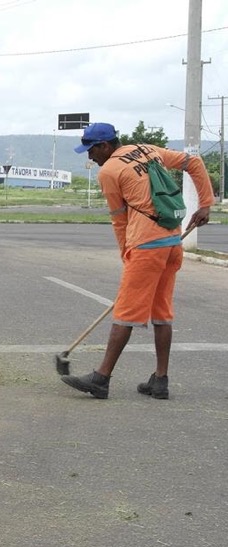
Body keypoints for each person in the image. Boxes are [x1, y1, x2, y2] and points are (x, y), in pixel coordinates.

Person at [61, 123, 214, 400]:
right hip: (171, 243)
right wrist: (205, 204)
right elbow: (195, 162)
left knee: (126, 314)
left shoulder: (109, 171)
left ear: (106, 146)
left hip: (145, 246)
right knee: (161, 313)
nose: (90, 157)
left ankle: (101, 378)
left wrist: (126, 254)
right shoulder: (148, 150)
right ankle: (160, 380)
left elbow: (119, 219)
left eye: (91, 150)